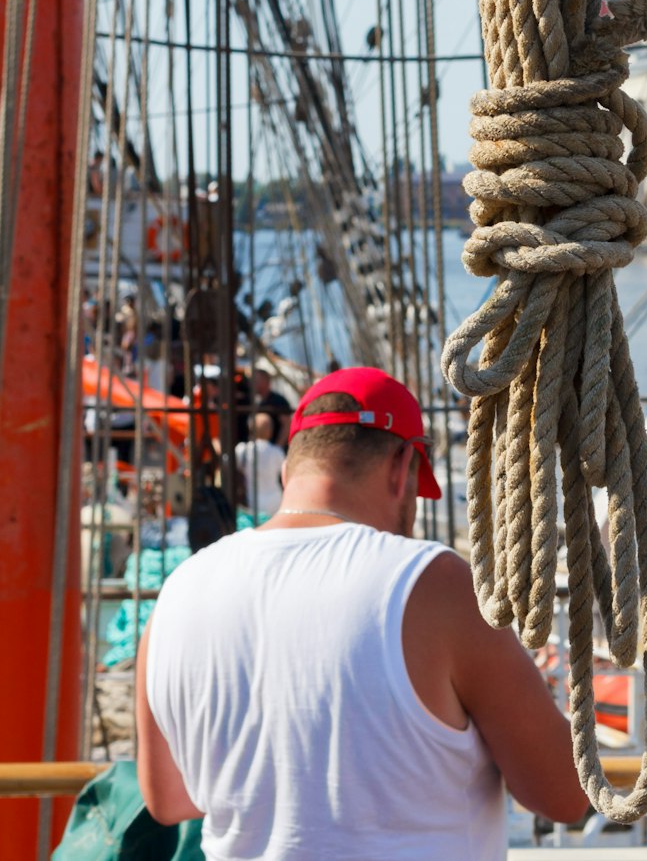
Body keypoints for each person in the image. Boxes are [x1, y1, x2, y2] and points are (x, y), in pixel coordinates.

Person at [136, 366, 587, 858]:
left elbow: (167, 800)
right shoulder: (434, 585)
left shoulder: (178, 592)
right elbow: (563, 794)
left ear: (290, 472)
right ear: (401, 468)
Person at [234, 411, 285, 519]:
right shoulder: (277, 452)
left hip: (251, 501)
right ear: (270, 430)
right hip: (275, 502)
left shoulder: (242, 450)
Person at [252, 362, 292, 448]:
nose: (253, 384)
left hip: (275, 452)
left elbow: (286, 425)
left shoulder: (278, 400)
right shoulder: (259, 402)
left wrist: (277, 448)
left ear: (265, 381)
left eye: (256, 380)